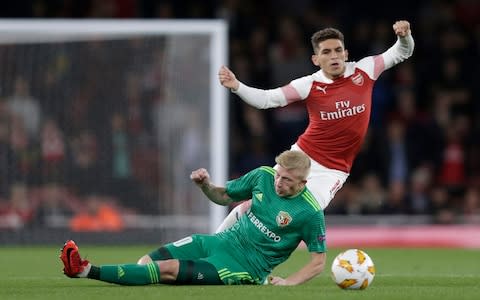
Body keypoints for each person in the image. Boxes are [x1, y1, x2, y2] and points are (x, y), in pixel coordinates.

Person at [216, 20, 414, 231]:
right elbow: (267, 99)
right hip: (302, 155)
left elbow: (402, 52)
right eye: (326, 52)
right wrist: (237, 86)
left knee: (304, 213)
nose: (334, 56)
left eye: (338, 50)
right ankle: (216, 242)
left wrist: (404, 36)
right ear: (316, 59)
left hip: (333, 170)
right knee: (260, 203)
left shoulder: (365, 70)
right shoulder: (309, 84)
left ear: (346, 54)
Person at [60, 150, 327, 286]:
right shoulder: (263, 176)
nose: (278, 182)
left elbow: (318, 262)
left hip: (243, 267)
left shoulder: (310, 212)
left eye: (287, 180)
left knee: (165, 270)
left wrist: (288, 282)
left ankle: (85, 270)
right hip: (219, 243)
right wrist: (205, 186)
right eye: (278, 175)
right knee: (148, 262)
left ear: (303, 181)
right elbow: (224, 196)